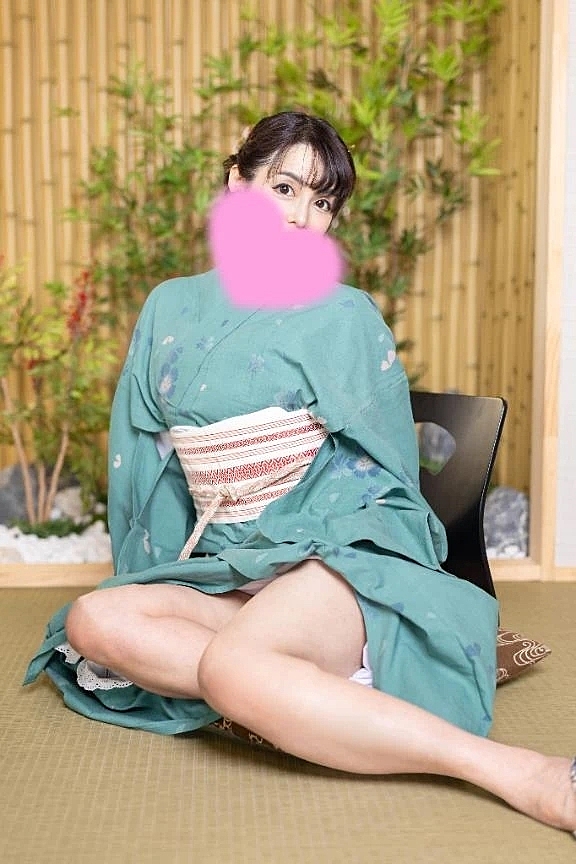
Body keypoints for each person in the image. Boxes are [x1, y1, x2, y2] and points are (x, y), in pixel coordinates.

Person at [25, 112, 575, 835]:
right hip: (228, 563)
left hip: (331, 551)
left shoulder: (344, 315)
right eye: (284, 188)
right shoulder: (169, 305)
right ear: (238, 182)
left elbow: (387, 472)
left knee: (230, 670)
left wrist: (307, 542)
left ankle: (510, 768)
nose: (301, 216)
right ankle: (302, 689)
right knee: (95, 620)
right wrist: (158, 571)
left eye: (323, 202)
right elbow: (145, 463)